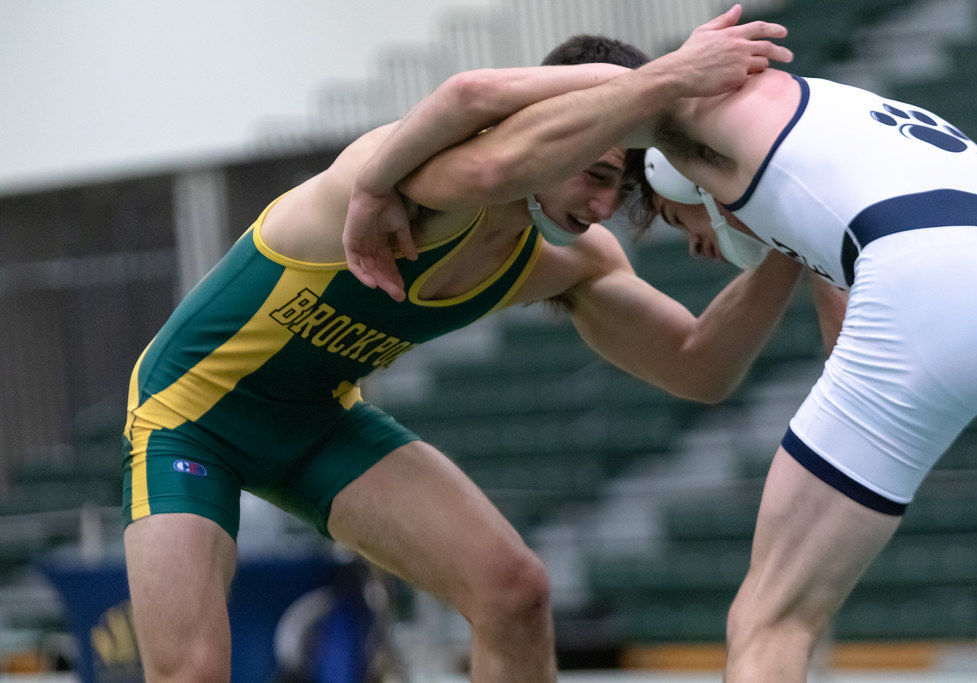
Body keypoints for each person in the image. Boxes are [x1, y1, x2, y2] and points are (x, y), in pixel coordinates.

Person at [120, 8, 799, 681]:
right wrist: (670, 76)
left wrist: (794, 239)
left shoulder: (568, 259)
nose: (599, 209)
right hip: (190, 417)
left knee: (514, 591)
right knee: (193, 670)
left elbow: (699, 366)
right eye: (592, 174)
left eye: (618, 187)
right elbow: (475, 114)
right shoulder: (426, 179)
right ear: (547, 131)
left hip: (315, 421)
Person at [348, 14, 977, 683]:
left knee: (769, 622)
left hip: (921, 280)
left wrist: (375, 183)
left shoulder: (684, 103)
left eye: (676, 219)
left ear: (672, 178)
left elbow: (474, 100)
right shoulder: (839, 124)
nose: (703, 246)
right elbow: (839, 331)